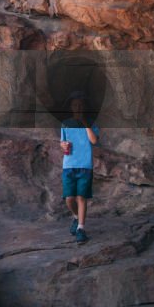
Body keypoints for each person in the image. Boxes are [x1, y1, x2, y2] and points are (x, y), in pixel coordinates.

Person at [60, 91, 99, 243]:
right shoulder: (66, 124)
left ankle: (81, 228)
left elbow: (94, 140)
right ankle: (76, 217)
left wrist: (85, 123)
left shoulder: (91, 123)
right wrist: (63, 145)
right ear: (71, 107)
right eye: (75, 105)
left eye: (81, 105)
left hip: (85, 165)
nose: (78, 108)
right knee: (69, 199)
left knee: (81, 197)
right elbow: (63, 143)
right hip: (69, 164)